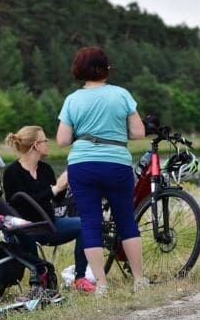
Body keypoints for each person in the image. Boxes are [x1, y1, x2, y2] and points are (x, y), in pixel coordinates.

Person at [56, 46, 147, 296]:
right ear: (104, 68)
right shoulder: (121, 95)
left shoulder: (72, 100)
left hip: (82, 165)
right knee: (126, 220)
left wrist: (84, 132)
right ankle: (139, 280)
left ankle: (102, 285)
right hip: (116, 162)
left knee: (90, 223)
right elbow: (139, 132)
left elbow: (62, 140)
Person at [3, 126, 96, 295]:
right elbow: (19, 206)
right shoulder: (12, 173)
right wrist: (54, 189)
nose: (48, 144)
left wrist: (65, 186)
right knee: (24, 230)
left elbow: (55, 201)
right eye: (45, 140)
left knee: (86, 224)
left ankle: (80, 278)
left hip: (49, 225)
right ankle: (40, 275)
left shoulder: (45, 170)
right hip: (25, 228)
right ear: (36, 145)